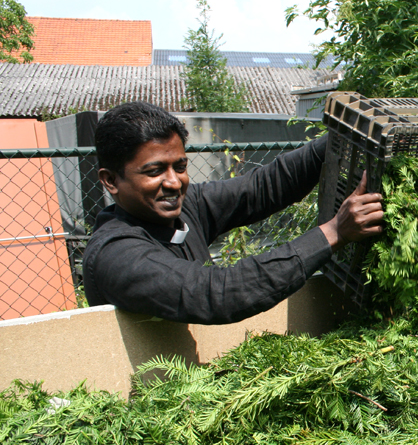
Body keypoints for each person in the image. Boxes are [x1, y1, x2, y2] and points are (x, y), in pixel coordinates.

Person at [82, 101, 383, 324]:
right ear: (111, 180)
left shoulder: (187, 208)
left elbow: (263, 187)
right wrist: (332, 233)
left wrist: (347, 139)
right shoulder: (117, 253)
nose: (174, 182)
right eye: (154, 171)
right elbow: (216, 294)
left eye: (181, 166)